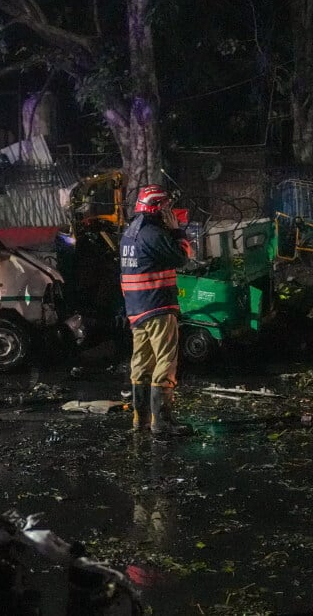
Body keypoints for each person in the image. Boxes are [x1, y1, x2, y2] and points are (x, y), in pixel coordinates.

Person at [120, 184, 192, 437]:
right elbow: (182, 257)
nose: (169, 212)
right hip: (158, 305)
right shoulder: (153, 233)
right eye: (167, 207)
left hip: (137, 308)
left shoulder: (130, 232)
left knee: (141, 362)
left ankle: (140, 420)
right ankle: (162, 422)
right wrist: (177, 231)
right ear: (157, 208)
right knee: (165, 361)